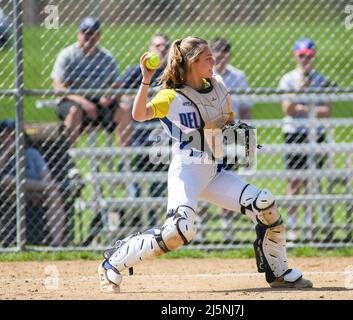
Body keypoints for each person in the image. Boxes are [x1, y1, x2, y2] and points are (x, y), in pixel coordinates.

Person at [97, 36, 312, 293]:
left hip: (213, 172)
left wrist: (236, 134)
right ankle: (113, 262)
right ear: (192, 62)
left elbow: (226, 121)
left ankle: (278, 272)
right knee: (179, 231)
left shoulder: (218, 86)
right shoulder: (171, 95)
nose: (214, 61)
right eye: (208, 58)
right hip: (186, 171)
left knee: (264, 204)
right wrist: (145, 79)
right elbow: (139, 114)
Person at [279, 38, 334, 240]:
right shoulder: (288, 79)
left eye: (308, 56)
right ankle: (292, 226)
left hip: (315, 134)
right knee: (294, 181)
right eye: (301, 56)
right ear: (295, 56)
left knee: (312, 179)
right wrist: (301, 91)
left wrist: (303, 108)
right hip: (295, 133)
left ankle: (310, 224)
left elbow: (327, 110)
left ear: (314, 56)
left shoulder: (321, 79)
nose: (305, 60)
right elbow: (288, 109)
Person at [51, 16, 132, 147]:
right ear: (78, 35)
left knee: (124, 109)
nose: (89, 37)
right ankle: (67, 160)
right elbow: (58, 87)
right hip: (74, 101)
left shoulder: (106, 57)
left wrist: (110, 96)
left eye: (93, 33)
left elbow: (117, 86)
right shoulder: (67, 55)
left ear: (98, 36)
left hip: (99, 102)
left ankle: (125, 159)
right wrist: (84, 102)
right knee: (74, 111)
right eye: (85, 33)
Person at [120, 33, 170, 226]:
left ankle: (154, 221)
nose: (161, 50)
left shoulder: (172, 73)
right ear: (150, 48)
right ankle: (136, 220)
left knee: (159, 186)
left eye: (165, 47)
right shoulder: (136, 71)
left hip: (162, 137)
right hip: (139, 135)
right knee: (136, 184)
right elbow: (118, 94)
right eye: (157, 46)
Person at [210, 37, 253, 241]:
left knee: (229, 176)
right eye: (217, 54)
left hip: (232, 132)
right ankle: (201, 222)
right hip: (210, 133)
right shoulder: (205, 75)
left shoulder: (238, 76)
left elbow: (245, 108)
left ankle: (226, 226)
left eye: (224, 54)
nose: (221, 58)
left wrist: (246, 135)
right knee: (208, 175)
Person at [0, 120, 67, 246]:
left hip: (35, 193)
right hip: (8, 195)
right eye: (5, 135)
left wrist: (42, 189)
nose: (9, 139)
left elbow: (47, 179)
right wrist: (7, 151)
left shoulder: (32, 154)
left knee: (54, 193)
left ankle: (57, 244)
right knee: (6, 180)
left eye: (13, 135)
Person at [211, 37, 252, 120]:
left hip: (233, 125)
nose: (221, 62)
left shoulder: (238, 76)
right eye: (218, 58)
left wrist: (248, 132)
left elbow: (245, 110)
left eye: (224, 58)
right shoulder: (204, 75)